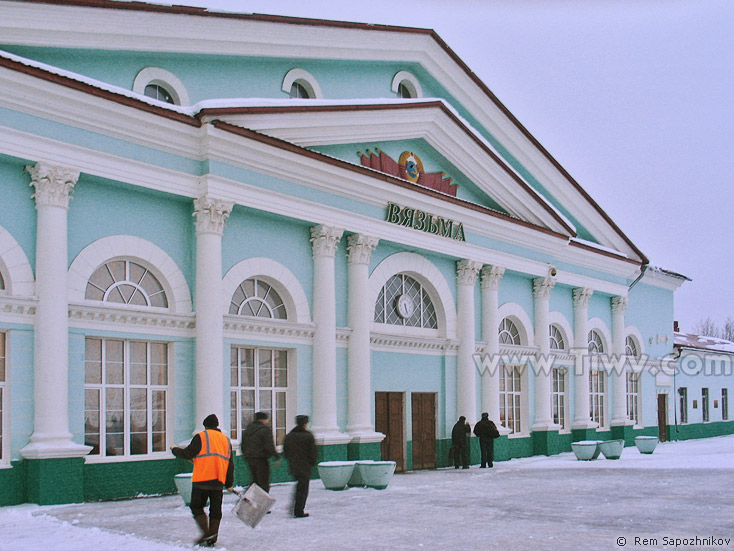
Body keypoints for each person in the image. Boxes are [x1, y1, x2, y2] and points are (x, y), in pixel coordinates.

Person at [171, 414, 234, 547]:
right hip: (218, 480)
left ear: (205, 426)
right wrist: (228, 483)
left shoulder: (201, 436)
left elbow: (188, 453)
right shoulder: (226, 440)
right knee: (215, 510)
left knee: (196, 506)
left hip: (202, 479)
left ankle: (206, 533)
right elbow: (230, 464)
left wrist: (174, 449)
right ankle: (213, 536)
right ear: (217, 426)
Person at [283, 415, 318, 518]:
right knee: (303, 488)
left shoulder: (289, 436)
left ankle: (295, 507)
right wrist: (312, 462)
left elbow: (286, 451)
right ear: (305, 424)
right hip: (305, 466)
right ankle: (298, 510)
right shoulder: (308, 436)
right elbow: (313, 452)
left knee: (300, 486)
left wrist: (291, 460)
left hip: (294, 465)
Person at [241, 411, 279, 494]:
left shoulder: (248, 429)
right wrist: (276, 456)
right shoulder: (265, 430)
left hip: (250, 459)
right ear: (263, 420)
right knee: (263, 482)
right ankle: (261, 501)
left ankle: (248, 498)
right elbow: (269, 445)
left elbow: (243, 445)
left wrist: (246, 456)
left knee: (255, 480)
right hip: (261, 459)